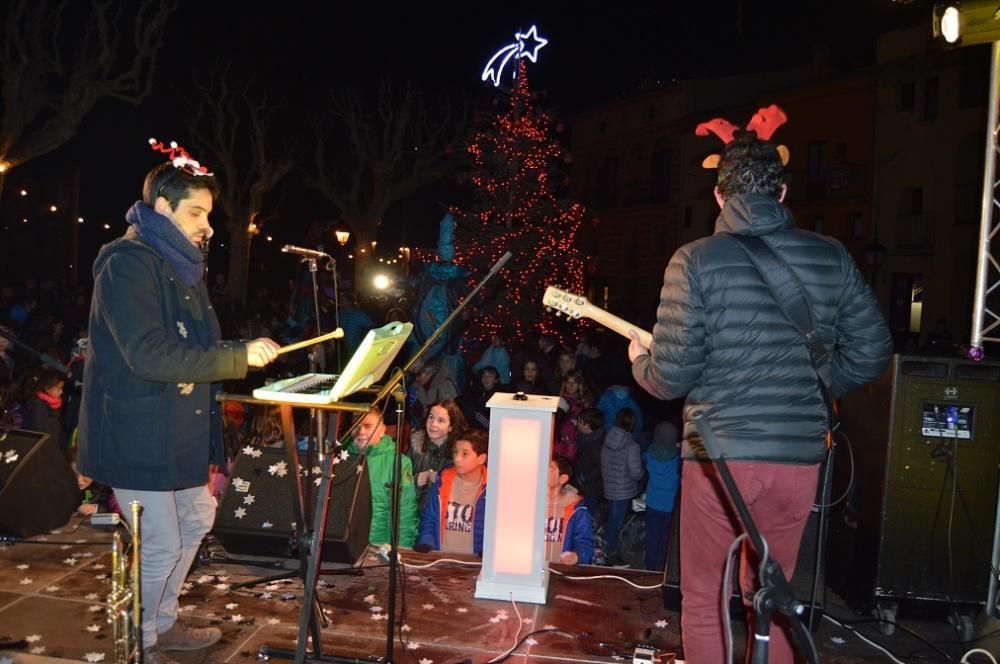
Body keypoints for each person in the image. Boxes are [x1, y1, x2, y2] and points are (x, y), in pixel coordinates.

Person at [627, 112, 892, 664]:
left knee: (703, 598)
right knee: (772, 595)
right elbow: (873, 350)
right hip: (797, 454)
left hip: (715, 453)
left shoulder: (693, 259)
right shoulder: (832, 256)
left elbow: (671, 376)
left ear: (719, 195)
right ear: (784, 190)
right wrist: (819, 387)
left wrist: (640, 363)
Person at [76, 149, 282, 664]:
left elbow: (188, 346)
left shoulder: (179, 266)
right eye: (197, 213)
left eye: (209, 215)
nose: (208, 226)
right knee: (163, 544)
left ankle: (160, 624)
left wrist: (233, 354)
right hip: (139, 430)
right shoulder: (125, 263)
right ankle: (138, 645)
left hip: (177, 428)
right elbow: (147, 353)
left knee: (198, 516)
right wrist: (236, 356)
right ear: (163, 207)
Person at [344, 405, 418, 548]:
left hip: (379, 545)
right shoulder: (339, 461)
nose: (361, 432)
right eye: (356, 426)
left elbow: (406, 510)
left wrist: (403, 547)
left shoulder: (398, 462)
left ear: (382, 430)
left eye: (368, 426)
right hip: (345, 544)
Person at [414, 428, 489, 556]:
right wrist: (426, 542)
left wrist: (486, 552)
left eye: (465, 454)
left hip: (475, 561)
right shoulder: (443, 481)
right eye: (455, 452)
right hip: (442, 556)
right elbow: (430, 518)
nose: (457, 459)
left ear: (481, 458)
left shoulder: (491, 489)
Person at [599, 408, 644, 566]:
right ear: (633, 423)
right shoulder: (632, 446)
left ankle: (605, 550)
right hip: (623, 490)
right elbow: (636, 473)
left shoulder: (607, 439)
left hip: (609, 486)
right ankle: (605, 555)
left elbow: (603, 462)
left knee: (611, 520)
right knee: (615, 523)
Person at [409, 399, 468, 513]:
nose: (433, 424)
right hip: (417, 520)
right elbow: (401, 487)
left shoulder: (459, 456)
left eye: (441, 420)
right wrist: (416, 480)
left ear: (451, 427)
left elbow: (465, 493)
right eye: (431, 417)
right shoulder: (416, 448)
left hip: (443, 521)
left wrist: (442, 480)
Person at [642, 421, 681, 571]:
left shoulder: (649, 455)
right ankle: (662, 565)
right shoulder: (678, 461)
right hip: (670, 506)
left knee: (652, 535)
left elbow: (646, 453)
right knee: (667, 537)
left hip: (652, 503)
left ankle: (649, 566)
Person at [545, 454, 594, 565]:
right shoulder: (530, 503)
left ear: (563, 478)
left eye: (550, 470)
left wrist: (577, 556)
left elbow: (585, 543)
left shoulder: (577, 509)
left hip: (558, 569)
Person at [23, 367, 68, 458]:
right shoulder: (38, 405)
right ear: (47, 388)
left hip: (55, 450)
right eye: (59, 388)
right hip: (45, 454)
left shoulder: (54, 405)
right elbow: (39, 433)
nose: (61, 392)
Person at [572, 407, 606, 517]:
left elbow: (600, 466)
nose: (577, 423)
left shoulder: (595, 444)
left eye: (580, 421)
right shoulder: (585, 438)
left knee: (586, 513)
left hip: (590, 488)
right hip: (582, 485)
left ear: (587, 426)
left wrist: (584, 477)